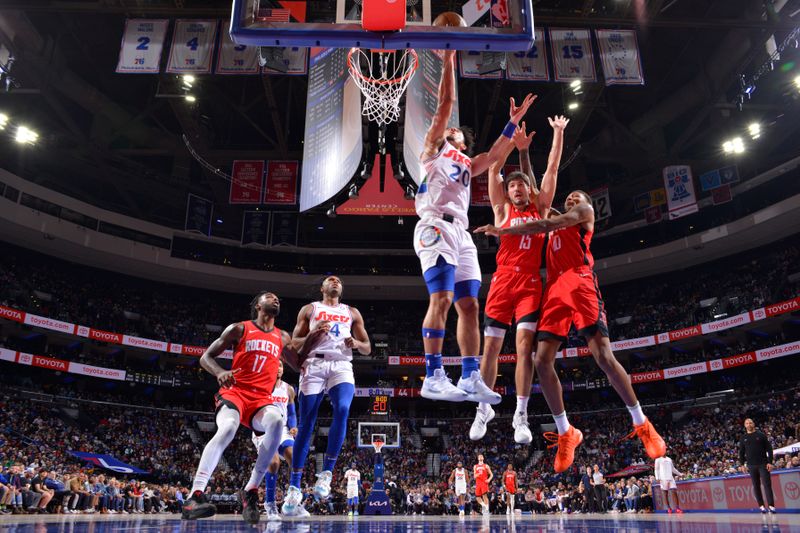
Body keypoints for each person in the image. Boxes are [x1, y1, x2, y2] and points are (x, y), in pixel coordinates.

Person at [474, 190, 666, 473]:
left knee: (602, 356)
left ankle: (641, 422)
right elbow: (537, 195)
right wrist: (525, 153)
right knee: (540, 361)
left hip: (580, 281)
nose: (572, 200)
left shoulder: (581, 214)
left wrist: (502, 230)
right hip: (553, 289)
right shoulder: (556, 216)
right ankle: (566, 432)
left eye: (577, 196)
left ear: (586, 204)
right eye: (569, 198)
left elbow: (545, 222)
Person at [415, 45, 536, 404]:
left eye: (456, 132)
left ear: (464, 144)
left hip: (461, 233)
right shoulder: (434, 150)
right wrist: (449, 59)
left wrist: (512, 120)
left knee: (469, 305)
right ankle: (433, 373)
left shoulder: (469, 162)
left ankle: (469, 375)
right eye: (448, 129)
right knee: (442, 297)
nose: (449, 128)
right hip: (434, 224)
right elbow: (445, 105)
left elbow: (498, 154)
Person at [471, 116, 569, 443]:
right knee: (491, 349)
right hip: (502, 283)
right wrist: (511, 135)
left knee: (524, 348)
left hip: (529, 283)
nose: (515, 188)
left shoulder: (540, 209)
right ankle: (483, 408)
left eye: (520, 184)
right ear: (507, 191)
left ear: (528, 188)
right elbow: (491, 166)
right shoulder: (501, 211)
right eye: (511, 185)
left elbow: (552, 170)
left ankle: (521, 414)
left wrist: (557, 134)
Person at [182, 291, 317, 524]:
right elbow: (206, 357)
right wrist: (220, 372)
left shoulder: (282, 337)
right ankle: (195, 495)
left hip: (261, 400)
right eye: (269, 296)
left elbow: (297, 363)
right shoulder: (239, 329)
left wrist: (315, 337)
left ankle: (251, 490)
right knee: (228, 428)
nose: (275, 299)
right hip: (235, 393)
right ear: (257, 305)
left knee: (276, 420)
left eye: (277, 298)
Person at [282, 276, 371, 517]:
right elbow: (294, 344)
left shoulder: (351, 312)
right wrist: (312, 336)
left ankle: (327, 474)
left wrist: (356, 343)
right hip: (313, 364)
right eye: (330, 280)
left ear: (341, 289)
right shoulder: (311, 309)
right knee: (306, 424)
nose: (335, 281)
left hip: (342, 364)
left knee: (343, 409)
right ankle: (294, 487)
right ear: (323, 289)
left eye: (339, 280)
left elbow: (368, 347)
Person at [251, 360, 297, 521]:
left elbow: (291, 413)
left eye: (281, 366)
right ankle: (270, 504)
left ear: (283, 370)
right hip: (264, 429)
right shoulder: (260, 386)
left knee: (294, 456)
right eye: (275, 365)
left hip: (283, 429)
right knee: (274, 463)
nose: (278, 368)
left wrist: (294, 426)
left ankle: (293, 500)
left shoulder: (288, 389)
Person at [739, 418, 776, 513]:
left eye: (750, 422)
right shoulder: (743, 438)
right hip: (751, 465)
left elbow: (769, 449)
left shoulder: (761, 435)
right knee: (756, 486)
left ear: (753, 424)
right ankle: (761, 506)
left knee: (767, 485)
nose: (749, 424)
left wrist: (770, 462)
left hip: (763, 464)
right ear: (745, 425)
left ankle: (771, 506)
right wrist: (742, 464)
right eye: (747, 423)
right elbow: (741, 452)